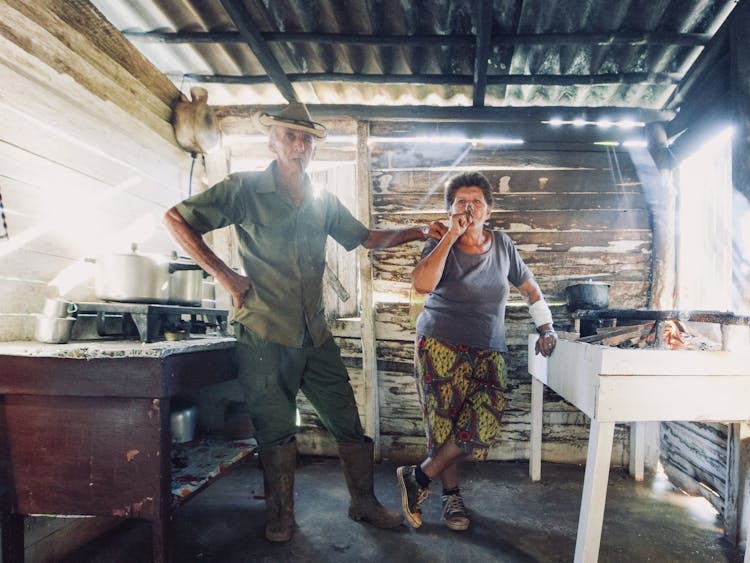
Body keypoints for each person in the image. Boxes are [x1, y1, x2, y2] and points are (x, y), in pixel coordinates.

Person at [164, 101, 443, 543]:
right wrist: (224, 274)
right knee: (275, 430)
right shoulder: (244, 188)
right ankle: (281, 515)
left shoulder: (322, 201)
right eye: (290, 135)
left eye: (307, 138)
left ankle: (363, 504)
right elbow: (177, 218)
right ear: (272, 140)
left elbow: (366, 238)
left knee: (347, 421)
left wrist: (417, 232)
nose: (299, 145)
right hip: (263, 332)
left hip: (315, 334)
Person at [396, 171, 557, 531]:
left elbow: (531, 290)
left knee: (483, 422)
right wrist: (451, 236)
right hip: (439, 343)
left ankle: (418, 476)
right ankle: (451, 498)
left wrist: (546, 326)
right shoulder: (441, 242)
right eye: (461, 203)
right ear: (450, 210)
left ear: (489, 211)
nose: (469, 208)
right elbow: (422, 284)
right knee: (444, 425)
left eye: (476, 203)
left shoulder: (503, 245)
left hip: (489, 348)